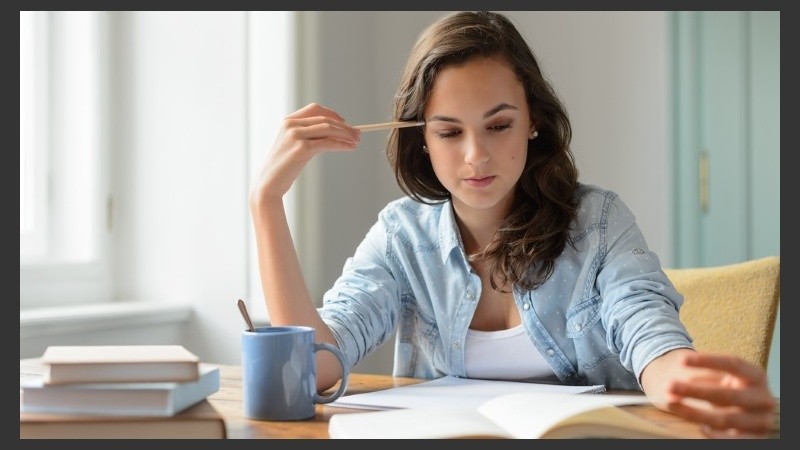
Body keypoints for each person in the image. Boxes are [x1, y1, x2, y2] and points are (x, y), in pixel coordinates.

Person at [249, 11, 774, 438]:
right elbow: (317, 369)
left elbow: (646, 330)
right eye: (450, 132)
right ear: (422, 139)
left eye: (498, 125)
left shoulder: (599, 222)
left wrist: (680, 376)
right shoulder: (401, 237)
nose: (476, 155)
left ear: (533, 121)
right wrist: (266, 202)